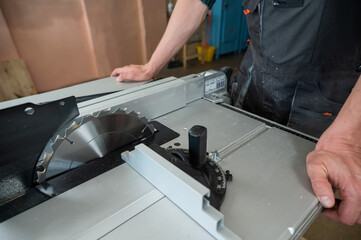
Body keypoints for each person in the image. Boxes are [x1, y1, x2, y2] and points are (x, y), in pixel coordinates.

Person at [111, 0, 361, 225]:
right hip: (254, 87)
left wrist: (347, 135)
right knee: (243, 196)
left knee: (296, 200)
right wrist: (151, 65)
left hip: (325, 105)